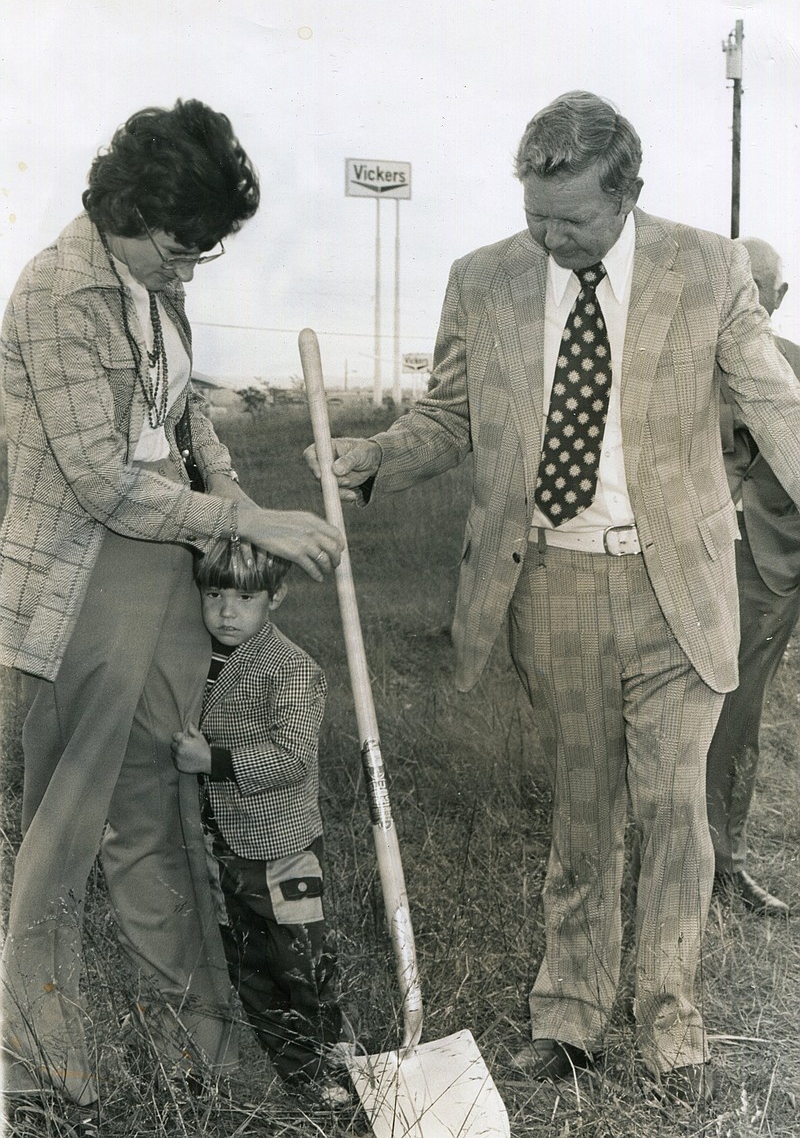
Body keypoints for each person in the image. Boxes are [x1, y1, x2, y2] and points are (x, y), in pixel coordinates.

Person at [305, 91, 800, 1107]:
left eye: (570, 220)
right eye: (535, 214)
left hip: (677, 582)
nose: (548, 235)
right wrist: (374, 458)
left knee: (673, 811)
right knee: (583, 814)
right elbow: (447, 416)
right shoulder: (483, 280)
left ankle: (672, 1026)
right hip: (555, 583)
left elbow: (770, 401)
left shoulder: (706, 269)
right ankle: (566, 1017)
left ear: (625, 195)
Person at [0, 99, 342, 1125]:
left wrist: (241, 511)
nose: (189, 270)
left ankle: (212, 1049)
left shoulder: (150, 290)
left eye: (202, 253)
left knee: (157, 820)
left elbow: (184, 414)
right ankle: (34, 1067)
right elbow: (102, 481)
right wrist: (245, 518)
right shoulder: (62, 290)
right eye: (180, 247)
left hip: (164, 574)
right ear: (131, 210)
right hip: (82, 579)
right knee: (68, 831)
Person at [171, 539, 350, 1109]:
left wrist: (214, 762)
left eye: (245, 597)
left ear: (276, 596)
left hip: (282, 849)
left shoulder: (291, 669)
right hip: (222, 848)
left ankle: (340, 1059)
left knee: (301, 960)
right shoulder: (191, 657)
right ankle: (299, 1074)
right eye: (214, 593)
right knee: (247, 966)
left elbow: (294, 754)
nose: (226, 610)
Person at [706, 238, 800, 917]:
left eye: (755, 285)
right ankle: (669, 858)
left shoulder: (796, 368)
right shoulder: (688, 361)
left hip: (768, 575)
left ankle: (723, 864)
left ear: (778, 297)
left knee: (738, 720)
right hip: (688, 562)